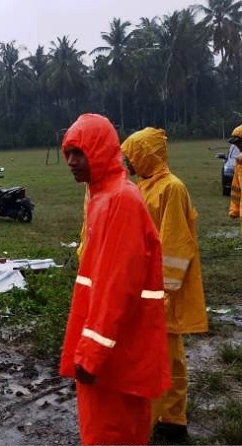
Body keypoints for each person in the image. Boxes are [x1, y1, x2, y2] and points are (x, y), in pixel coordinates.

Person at [59, 114, 170, 445]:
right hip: (117, 352)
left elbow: (116, 287)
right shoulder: (103, 197)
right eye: (68, 154)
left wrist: (92, 352)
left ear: (101, 151)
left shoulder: (120, 201)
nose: (72, 162)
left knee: (109, 435)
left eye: (79, 153)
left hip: (114, 359)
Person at [121, 127, 208, 443]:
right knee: (167, 358)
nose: (128, 162)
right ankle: (171, 420)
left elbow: (175, 245)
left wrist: (162, 293)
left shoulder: (171, 189)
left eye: (133, 155)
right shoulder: (147, 187)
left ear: (147, 155)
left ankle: (160, 422)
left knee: (162, 361)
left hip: (162, 292)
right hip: (152, 290)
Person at [229, 124, 242, 235]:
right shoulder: (239, 163)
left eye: (238, 142)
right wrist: (235, 209)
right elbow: (236, 188)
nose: (237, 146)